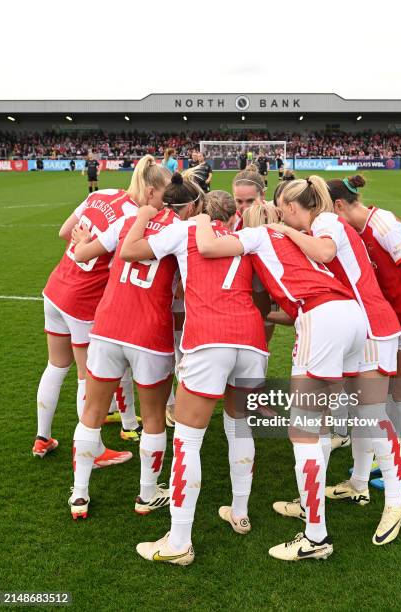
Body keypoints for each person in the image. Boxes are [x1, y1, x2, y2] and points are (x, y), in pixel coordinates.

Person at [193, 201, 366, 562]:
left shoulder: (257, 234)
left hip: (320, 318)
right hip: (351, 317)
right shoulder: (297, 237)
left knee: (302, 431)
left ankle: (315, 537)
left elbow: (209, 247)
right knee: (317, 425)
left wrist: (203, 219)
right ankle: (310, 505)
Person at [120, 185, 268, 566]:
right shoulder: (245, 237)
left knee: (187, 440)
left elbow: (131, 251)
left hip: (208, 340)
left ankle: (180, 541)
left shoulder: (186, 230)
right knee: (240, 429)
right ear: (232, 214)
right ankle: (239, 512)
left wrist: (141, 219)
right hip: (251, 339)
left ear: (200, 209)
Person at [268, 176, 401, 546]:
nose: (284, 215)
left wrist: (283, 230)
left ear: (302, 206)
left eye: (286, 209)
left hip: (373, 328)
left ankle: (396, 501)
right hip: (359, 327)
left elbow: (326, 253)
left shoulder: (326, 221)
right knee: (352, 415)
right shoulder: (321, 224)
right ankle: (353, 487)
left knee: (372, 416)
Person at [68, 173, 193, 520]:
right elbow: (186, 287)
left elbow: (81, 255)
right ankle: (147, 494)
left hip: (107, 326)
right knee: (153, 416)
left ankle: (79, 495)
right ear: (187, 204)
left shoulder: (127, 220)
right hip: (149, 334)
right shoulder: (181, 230)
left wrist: (80, 239)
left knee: (92, 412)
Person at [33, 156, 168, 460]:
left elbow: (64, 232)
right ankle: (91, 453)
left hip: (56, 286)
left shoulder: (101, 193)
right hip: (82, 301)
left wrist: (86, 244)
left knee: (56, 365)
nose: (164, 204)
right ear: (150, 192)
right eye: (162, 197)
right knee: (86, 377)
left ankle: (42, 437)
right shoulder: (136, 219)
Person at [327, 175, 401, 490]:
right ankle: (395, 458)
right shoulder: (356, 230)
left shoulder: (383, 225)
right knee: (391, 395)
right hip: (395, 321)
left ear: (339, 205)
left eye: (328, 210)